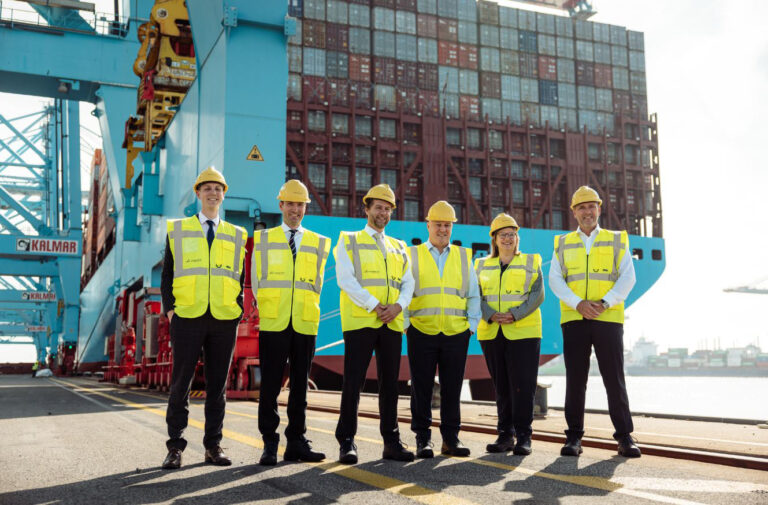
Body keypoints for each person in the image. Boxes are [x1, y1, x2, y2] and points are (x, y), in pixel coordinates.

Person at [160, 166, 247, 470]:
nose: (213, 193)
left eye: (218, 188)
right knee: (180, 384)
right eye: (207, 188)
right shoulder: (178, 229)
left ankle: (213, 446)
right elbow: (168, 275)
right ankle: (175, 447)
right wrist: (171, 310)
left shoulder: (237, 234)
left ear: (224, 195)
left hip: (223, 318)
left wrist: (237, 309)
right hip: (187, 316)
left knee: (217, 387)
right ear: (198, 193)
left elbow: (239, 276)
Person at [549, 186, 641, 458]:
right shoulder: (562, 243)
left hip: (607, 318)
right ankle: (573, 438)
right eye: (582, 207)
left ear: (599, 209)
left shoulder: (616, 240)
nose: (587, 212)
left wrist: (604, 302)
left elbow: (628, 277)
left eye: (591, 206)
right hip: (574, 318)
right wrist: (578, 303)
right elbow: (555, 279)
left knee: (614, 379)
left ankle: (624, 437)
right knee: (575, 380)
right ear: (574, 212)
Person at [334, 183, 415, 464]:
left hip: (391, 322)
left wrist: (398, 306)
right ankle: (346, 441)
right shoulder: (349, 240)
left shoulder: (399, 246)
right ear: (366, 209)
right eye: (379, 207)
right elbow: (345, 279)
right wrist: (374, 305)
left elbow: (408, 282)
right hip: (360, 321)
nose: (383, 213)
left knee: (390, 384)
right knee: (353, 382)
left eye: (388, 209)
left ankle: (391, 442)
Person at [251, 180, 331, 466]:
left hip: (305, 321)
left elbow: (316, 283)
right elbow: (257, 282)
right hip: (275, 321)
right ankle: (269, 443)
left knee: (300, 387)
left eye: (300, 205)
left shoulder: (320, 242)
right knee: (270, 386)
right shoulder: (263, 239)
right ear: (281, 205)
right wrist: (272, 306)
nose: (295, 209)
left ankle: (296, 442)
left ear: (305, 207)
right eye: (291, 204)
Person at [406, 201, 481, 458]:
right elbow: (403, 291)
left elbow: (474, 294)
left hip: (456, 333)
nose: (442, 229)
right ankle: (423, 439)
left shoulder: (463, 256)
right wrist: (406, 326)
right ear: (428, 225)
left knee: (452, 388)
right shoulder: (412, 254)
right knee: (421, 387)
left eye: (447, 225)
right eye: (438, 224)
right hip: (421, 330)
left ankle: (451, 439)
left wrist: (471, 327)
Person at [475, 213, 544, 456]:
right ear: (494, 239)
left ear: (517, 238)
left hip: (524, 332)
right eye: (503, 235)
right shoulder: (480, 265)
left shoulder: (531, 261)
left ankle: (524, 437)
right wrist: (490, 314)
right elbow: (474, 295)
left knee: (523, 386)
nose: (508, 239)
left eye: (512, 234)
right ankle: (505, 435)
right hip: (491, 331)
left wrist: (515, 314)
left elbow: (538, 294)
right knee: (501, 386)